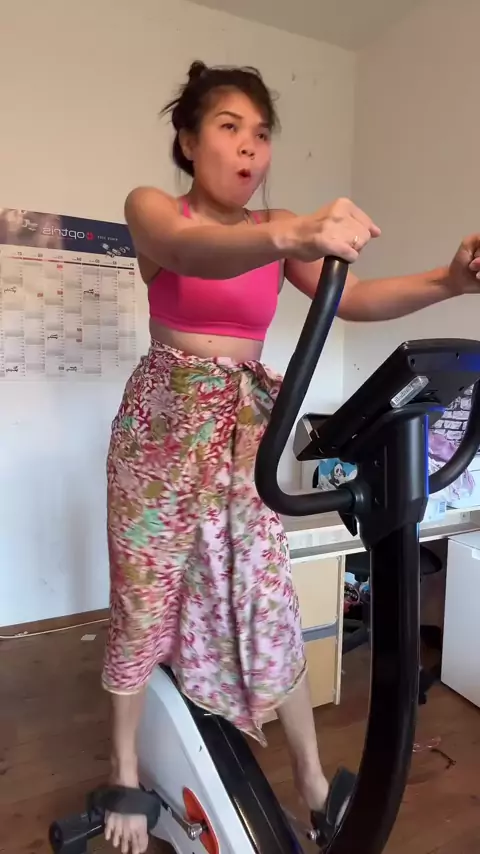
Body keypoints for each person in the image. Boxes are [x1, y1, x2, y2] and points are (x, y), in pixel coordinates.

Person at [102, 60, 480, 854]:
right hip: (161, 430)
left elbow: (357, 297)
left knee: (268, 597)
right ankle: (124, 769)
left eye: (262, 132)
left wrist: (449, 281)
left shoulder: (278, 229)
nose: (250, 146)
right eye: (229, 127)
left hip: (246, 431)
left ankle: (311, 783)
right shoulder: (154, 209)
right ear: (188, 141)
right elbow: (190, 250)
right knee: (144, 597)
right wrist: (292, 232)